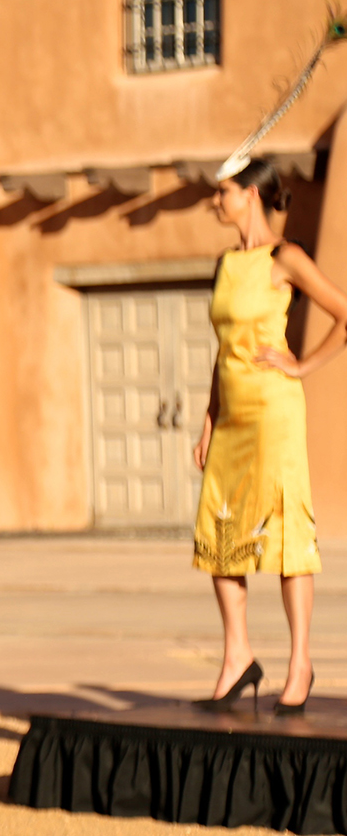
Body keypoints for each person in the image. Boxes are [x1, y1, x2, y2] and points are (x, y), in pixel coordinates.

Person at [191, 158, 346, 716]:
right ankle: (237, 658)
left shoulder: (286, 258)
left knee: (284, 536)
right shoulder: (225, 263)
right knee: (221, 534)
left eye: (223, 191)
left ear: (251, 195)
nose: (215, 201)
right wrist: (209, 420)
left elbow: (344, 315)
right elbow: (223, 350)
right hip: (231, 416)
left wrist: (301, 366)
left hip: (275, 412)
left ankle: (300, 661)